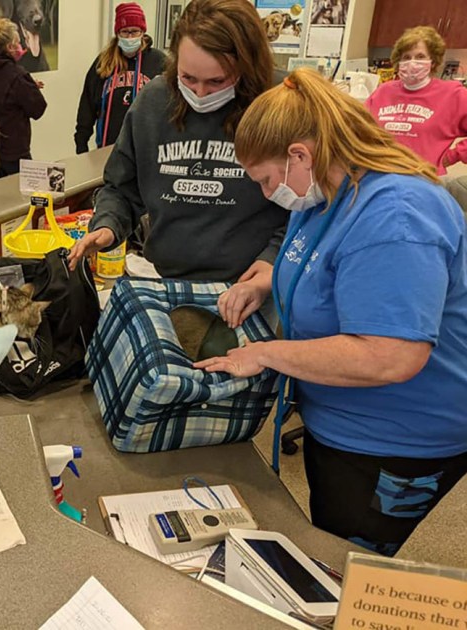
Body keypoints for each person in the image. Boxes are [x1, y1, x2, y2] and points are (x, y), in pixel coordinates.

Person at [196, 68, 467, 556]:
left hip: (395, 441)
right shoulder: (323, 194)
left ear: (300, 155)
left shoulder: (397, 215)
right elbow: (321, 268)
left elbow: (390, 356)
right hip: (339, 421)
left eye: (265, 180)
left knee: (352, 566)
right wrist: (268, 284)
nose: (265, 194)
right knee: (325, 543)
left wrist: (269, 353)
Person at [69, 0, 288, 329]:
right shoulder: (154, 101)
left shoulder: (281, 102)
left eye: (216, 81)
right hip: (169, 282)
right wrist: (107, 224)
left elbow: (316, 204)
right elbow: (121, 186)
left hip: (253, 288)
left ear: (247, 66)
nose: (199, 93)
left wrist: (274, 260)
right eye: (188, 78)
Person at [365, 26, 467, 175]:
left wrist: (452, 156)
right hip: (379, 175)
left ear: (432, 61)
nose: (412, 63)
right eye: (406, 57)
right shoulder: (383, 91)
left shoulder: (452, 94)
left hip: (422, 180)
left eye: (420, 56)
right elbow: (358, 126)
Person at [74, 2, 167, 154]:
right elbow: (87, 107)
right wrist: (81, 144)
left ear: (142, 32)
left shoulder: (159, 62)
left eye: (134, 31)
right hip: (108, 148)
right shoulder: (103, 63)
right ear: (118, 33)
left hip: (147, 150)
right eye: (125, 32)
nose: (130, 37)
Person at [0, 17, 47, 178]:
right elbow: (38, 109)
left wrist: (28, 85)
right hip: (16, 154)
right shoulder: (17, 76)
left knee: (3, 199)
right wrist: (28, 86)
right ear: (10, 47)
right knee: (27, 198)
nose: (21, 47)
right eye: (18, 43)